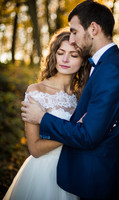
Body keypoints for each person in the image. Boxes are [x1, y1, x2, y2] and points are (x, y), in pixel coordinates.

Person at [21, 0, 119, 200]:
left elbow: (88, 135)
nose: (73, 39)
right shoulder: (105, 67)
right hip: (62, 174)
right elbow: (35, 147)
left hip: (93, 176)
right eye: (61, 53)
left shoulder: (109, 70)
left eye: (74, 32)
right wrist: (74, 126)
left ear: (93, 28)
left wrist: (44, 118)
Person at [3, 29, 90, 200]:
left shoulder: (81, 95)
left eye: (73, 55)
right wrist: (74, 131)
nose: (65, 60)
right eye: (61, 53)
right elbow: (35, 148)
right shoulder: (36, 92)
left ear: (83, 60)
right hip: (44, 172)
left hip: (75, 171)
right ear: (54, 55)